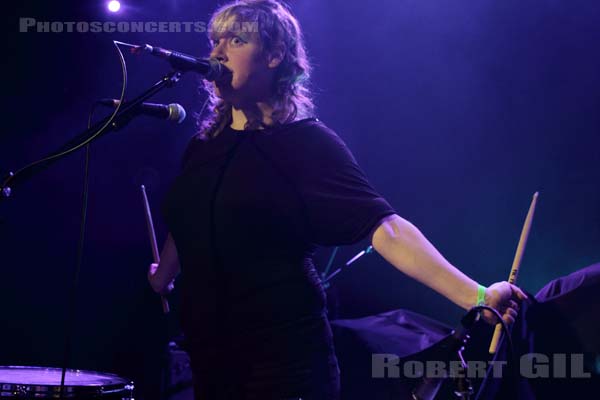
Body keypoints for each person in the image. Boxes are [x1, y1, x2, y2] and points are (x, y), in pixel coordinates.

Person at [148, 1, 527, 399]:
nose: (217, 52)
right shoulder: (203, 148)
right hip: (211, 364)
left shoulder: (305, 144)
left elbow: (385, 228)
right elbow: (189, 221)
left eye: (237, 39)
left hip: (281, 367)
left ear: (275, 56)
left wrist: (477, 295)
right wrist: (163, 276)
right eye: (215, 41)